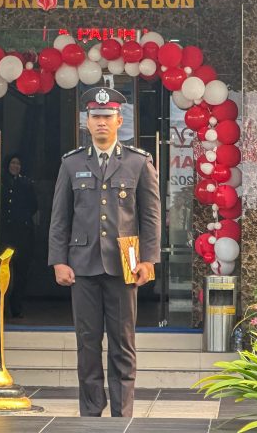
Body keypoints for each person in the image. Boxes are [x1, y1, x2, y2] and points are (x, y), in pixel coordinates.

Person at [47, 86, 161, 417]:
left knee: (123, 343)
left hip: (124, 266)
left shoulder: (138, 162)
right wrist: (58, 261)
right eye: (95, 117)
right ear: (86, 121)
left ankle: (122, 413)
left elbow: (151, 216)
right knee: (87, 343)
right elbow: (59, 218)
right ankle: (91, 411)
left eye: (107, 117)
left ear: (119, 121)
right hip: (82, 266)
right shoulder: (71, 163)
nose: (101, 122)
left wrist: (148, 260)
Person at [1, 155, 37, 318]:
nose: (15, 166)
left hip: (23, 234)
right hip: (6, 234)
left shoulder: (26, 184)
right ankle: (2, 307)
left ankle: (16, 307)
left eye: (18, 163)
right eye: (13, 163)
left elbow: (33, 206)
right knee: (4, 271)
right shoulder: (1, 182)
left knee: (21, 272)